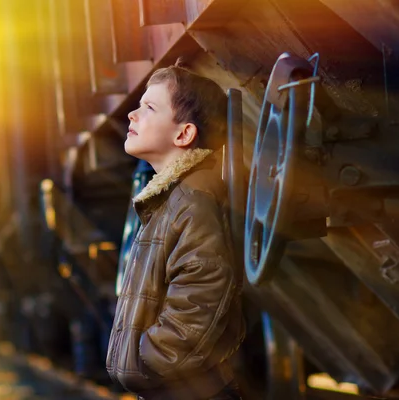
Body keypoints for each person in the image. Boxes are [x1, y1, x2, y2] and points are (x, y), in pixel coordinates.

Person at [106, 59, 245, 400]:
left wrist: (144, 359)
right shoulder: (168, 200)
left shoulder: (191, 201)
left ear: (184, 134)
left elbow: (202, 291)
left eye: (149, 107)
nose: (132, 115)